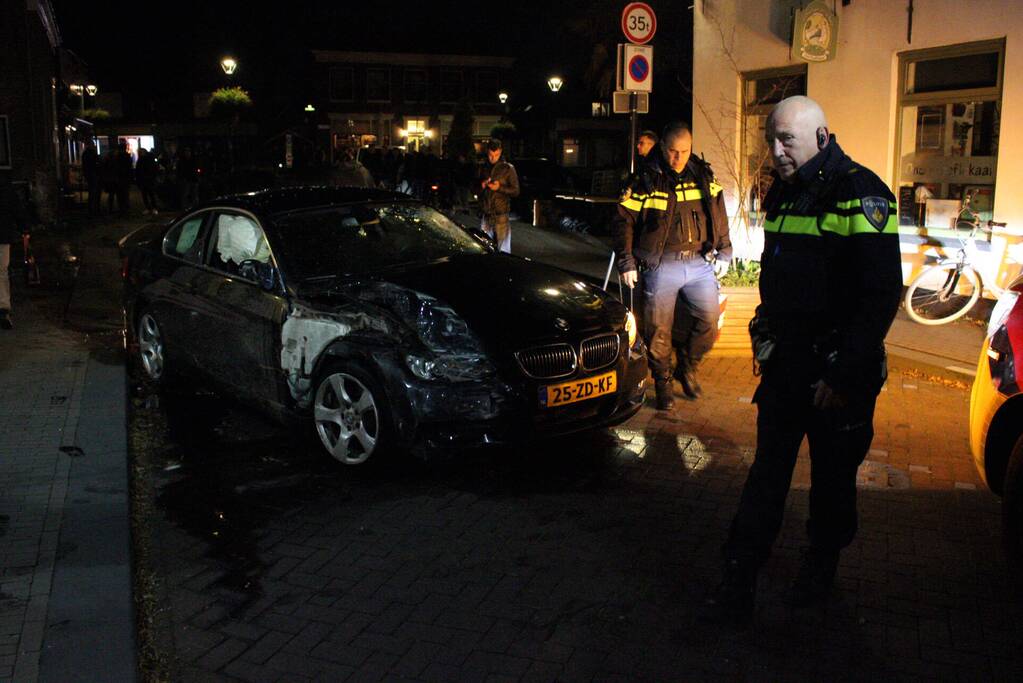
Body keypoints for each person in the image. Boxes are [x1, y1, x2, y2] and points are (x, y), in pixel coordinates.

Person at [701, 96, 903, 625]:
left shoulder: (862, 193)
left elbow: (880, 294)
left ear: (821, 136)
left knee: (833, 481)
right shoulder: (786, 195)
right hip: (789, 366)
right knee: (767, 474)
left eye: (785, 139)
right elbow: (780, 279)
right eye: (771, 139)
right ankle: (739, 576)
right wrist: (767, 334)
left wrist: (845, 373)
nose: (775, 151)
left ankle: (820, 566)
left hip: (836, 374)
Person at [612, 121, 731, 410]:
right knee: (657, 331)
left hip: (699, 263)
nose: (678, 158)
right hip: (661, 265)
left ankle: (686, 366)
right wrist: (626, 262)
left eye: (685, 151)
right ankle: (663, 381)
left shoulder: (702, 175)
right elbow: (622, 221)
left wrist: (725, 249)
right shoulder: (643, 180)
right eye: (673, 152)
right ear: (662, 147)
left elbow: (718, 212)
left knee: (709, 321)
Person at [479, 139, 519, 253]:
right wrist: (481, 186)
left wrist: (499, 188)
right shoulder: (484, 167)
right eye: (491, 155)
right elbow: (474, 187)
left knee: (504, 250)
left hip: (501, 216)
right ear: (487, 152)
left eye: (496, 155)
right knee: (484, 249)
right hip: (486, 215)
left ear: (500, 152)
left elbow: (516, 191)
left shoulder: (508, 168)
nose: (493, 158)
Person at [0, 173, 30, 330]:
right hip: (3, 235)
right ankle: (3, 307)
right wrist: (24, 227)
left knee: (2, 271)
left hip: (3, 235)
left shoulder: (5, 187)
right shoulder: (5, 186)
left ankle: (3, 308)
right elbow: (16, 208)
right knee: (2, 272)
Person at [136, 148, 160, 215]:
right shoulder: (142, 159)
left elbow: (154, 169)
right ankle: (150, 208)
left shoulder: (148, 158)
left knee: (150, 195)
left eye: (141, 152)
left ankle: (153, 208)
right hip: (145, 180)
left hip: (149, 180)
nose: (140, 153)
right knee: (146, 195)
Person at [81, 142, 100, 216]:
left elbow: (85, 165)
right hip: (93, 174)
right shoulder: (92, 154)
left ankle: (91, 209)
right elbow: (96, 163)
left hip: (89, 174)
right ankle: (94, 209)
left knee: (91, 192)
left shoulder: (85, 154)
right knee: (94, 192)